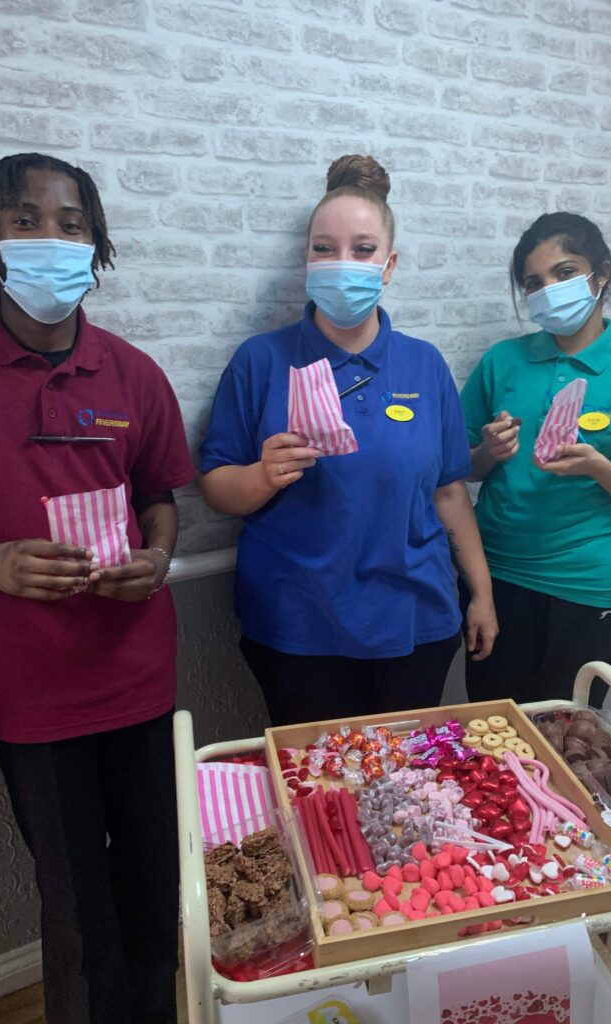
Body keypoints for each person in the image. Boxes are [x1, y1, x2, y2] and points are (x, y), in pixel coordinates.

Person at [0, 153, 195, 1024]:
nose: (50, 241)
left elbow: (161, 498)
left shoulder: (131, 373)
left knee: (153, 882)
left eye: (71, 225)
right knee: (75, 908)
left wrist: (157, 558)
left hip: (137, 674)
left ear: (95, 243)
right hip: (30, 690)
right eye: (25, 221)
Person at [200, 155, 497, 726]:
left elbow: (449, 491)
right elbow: (216, 487)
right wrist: (262, 475)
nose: (342, 264)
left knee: (406, 774)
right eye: (324, 248)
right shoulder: (260, 360)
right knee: (315, 776)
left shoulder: (424, 364)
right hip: (298, 625)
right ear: (306, 259)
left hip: (416, 619)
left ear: (388, 265)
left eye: (362, 250)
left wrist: (480, 592)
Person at [460, 212, 611, 708]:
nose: (549, 291)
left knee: (570, 733)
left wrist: (599, 468)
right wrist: (488, 453)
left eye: (564, 273)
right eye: (534, 283)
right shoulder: (501, 361)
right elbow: (460, 469)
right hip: (495, 576)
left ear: (601, 273)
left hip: (584, 583)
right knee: (494, 726)